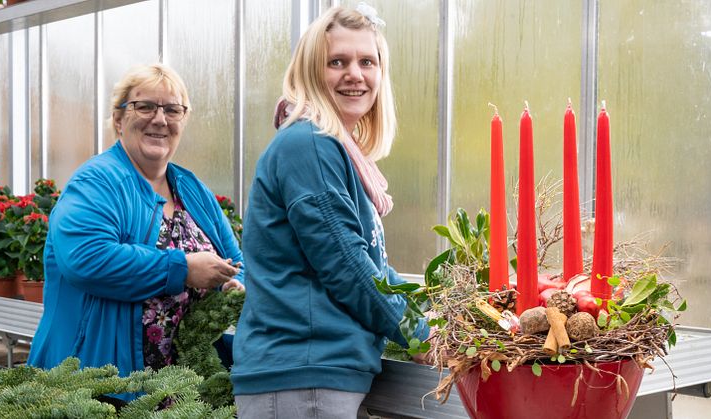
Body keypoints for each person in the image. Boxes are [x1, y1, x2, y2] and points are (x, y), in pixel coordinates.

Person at [231, 4, 427, 418]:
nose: (354, 74)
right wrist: (420, 335)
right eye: (337, 62)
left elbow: (375, 267)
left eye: (366, 61)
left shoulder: (334, 150)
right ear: (310, 72)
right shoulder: (310, 145)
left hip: (314, 379)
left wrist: (437, 316)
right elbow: (350, 267)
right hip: (302, 378)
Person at [28, 64, 244, 397]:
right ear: (118, 120)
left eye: (173, 110)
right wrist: (182, 269)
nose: (160, 119)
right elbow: (86, 259)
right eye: (144, 107)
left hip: (179, 390)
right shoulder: (97, 183)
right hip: (99, 385)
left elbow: (237, 261)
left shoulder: (191, 188)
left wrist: (233, 285)